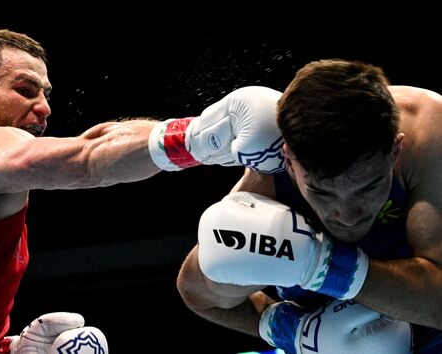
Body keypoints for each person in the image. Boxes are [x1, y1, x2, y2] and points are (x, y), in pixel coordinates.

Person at [0, 28, 277, 353]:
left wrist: (6, 347)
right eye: (25, 90)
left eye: (45, 94)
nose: (43, 107)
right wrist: (200, 138)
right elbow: (86, 160)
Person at [176, 59, 442, 353]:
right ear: (290, 163)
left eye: (368, 187)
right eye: (322, 192)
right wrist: (291, 333)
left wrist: (326, 266)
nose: (347, 215)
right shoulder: (269, 182)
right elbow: (197, 292)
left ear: (395, 149)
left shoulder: (430, 137)